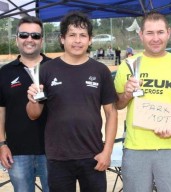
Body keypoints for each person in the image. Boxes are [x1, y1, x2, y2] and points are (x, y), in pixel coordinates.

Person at [26, 11, 118, 192]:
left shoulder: (101, 71)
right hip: (58, 157)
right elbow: (33, 114)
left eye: (83, 35)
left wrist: (106, 152)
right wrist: (32, 100)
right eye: (72, 35)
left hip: (93, 156)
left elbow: (111, 113)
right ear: (62, 39)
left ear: (90, 40)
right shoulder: (45, 70)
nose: (77, 40)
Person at [114, 12, 171, 192]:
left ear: (168, 33)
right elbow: (117, 104)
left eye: (160, 32)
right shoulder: (128, 65)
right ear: (141, 35)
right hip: (136, 148)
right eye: (150, 33)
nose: (155, 38)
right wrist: (127, 94)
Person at [0, 16, 49, 192]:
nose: (29, 39)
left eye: (35, 36)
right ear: (17, 39)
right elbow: (1, 111)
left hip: (52, 151)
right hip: (17, 152)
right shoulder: (5, 72)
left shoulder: (54, 68)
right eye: (24, 35)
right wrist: (1, 144)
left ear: (42, 40)